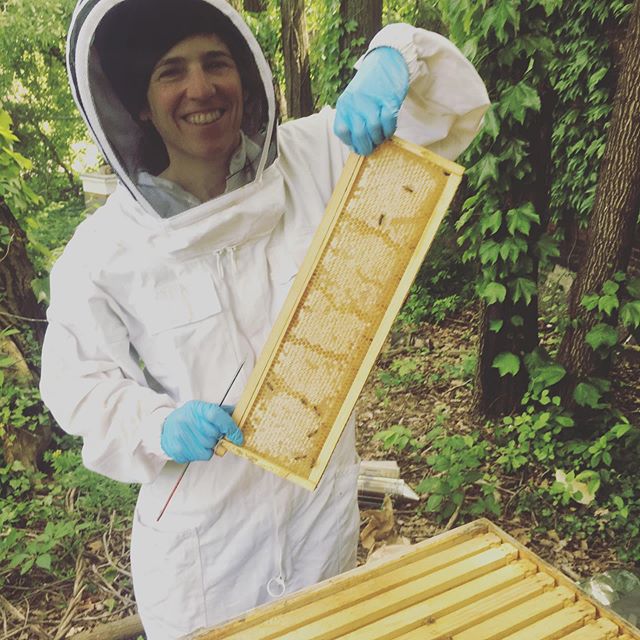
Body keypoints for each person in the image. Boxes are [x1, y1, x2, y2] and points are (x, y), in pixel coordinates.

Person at [40, 0, 490, 638]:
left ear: (245, 77)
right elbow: (72, 382)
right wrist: (157, 425)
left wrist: (396, 55)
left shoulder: (317, 157)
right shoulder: (104, 250)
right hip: (202, 551)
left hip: (319, 519)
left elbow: (445, 117)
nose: (200, 88)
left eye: (215, 62)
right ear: (139, 105)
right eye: (171, 72)